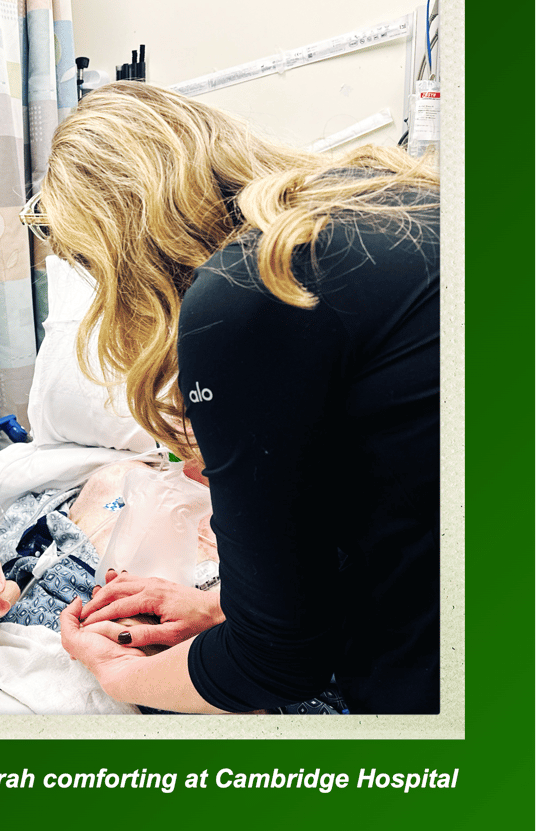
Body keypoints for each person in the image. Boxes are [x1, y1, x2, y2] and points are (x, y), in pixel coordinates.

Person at [23, 81, 440, 715]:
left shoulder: (250, 290)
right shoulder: (387, 201)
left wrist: (118, 672)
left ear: (124, 250)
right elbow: (399, 487)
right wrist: (226, 605)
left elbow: (277, 662)